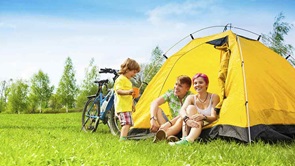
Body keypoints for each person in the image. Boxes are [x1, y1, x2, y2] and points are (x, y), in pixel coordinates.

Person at [169, 73, 220, 145]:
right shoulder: (191, 97)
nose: (197, 85)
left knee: (198, 119)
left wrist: (203, 117)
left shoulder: (214, 97)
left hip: (207, 123)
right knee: (190, 108)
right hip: (193, 123)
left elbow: (214, 117)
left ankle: (187, 140)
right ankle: (185, 138)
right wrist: (187, 120)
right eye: (195, 83)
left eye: (201, 82)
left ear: (207, 84)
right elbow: (182, 110)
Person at [150, 75, 192, 142]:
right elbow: (154, 103)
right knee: (157, 109)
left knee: (182, 118)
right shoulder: (171, 93)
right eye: (176, 84)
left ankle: (164, 136)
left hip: (184, 126)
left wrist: (169, 123)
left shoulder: (190, 97)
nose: (176, 87)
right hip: (171, 124)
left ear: (187, 89)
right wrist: (152, 119)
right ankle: (169, 137)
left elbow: (183, 115)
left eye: (180, 86)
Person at [114, 58, 140, 141]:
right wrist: (129, 91)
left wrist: (132, 104)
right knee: (126, 123)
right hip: (122, 107)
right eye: (134, 72)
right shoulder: (120, 79)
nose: (134, 74)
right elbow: (118, 91)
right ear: (127, 69)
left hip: (127, 107)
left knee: (128, 123)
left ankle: (124, 137)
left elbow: (129, 96)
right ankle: (122, 139)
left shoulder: (128, 81)